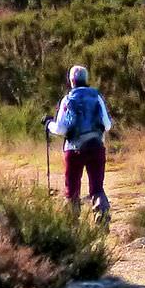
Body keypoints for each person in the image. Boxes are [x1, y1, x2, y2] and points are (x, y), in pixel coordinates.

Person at [47, 65, 113, 220]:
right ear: (86, 79)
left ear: (71, 81)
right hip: (96, 147)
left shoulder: (67, 99)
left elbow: (61, 129)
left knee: (72, 190)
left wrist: (49, 124)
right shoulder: (96, 97)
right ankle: (101, 212)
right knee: (97, 188)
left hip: (73, 150)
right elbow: (107, 125)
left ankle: (72, 224)